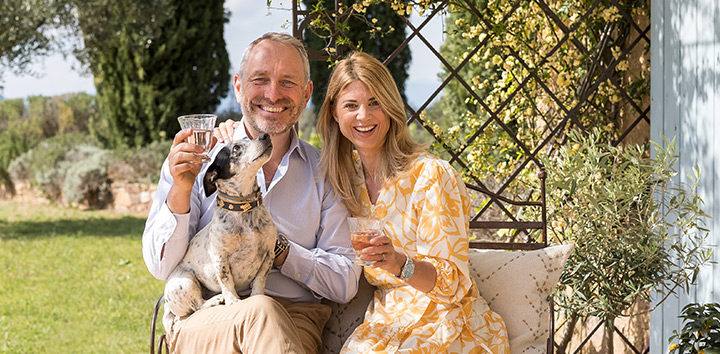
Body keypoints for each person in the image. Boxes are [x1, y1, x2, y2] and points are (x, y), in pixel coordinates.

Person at [142, 32, 360, 354]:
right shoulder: (198, 160)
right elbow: (161, 267)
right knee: (260, 310)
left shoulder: (323, 172)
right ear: (239, 86)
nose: (273, 94)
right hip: (206, 321)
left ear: (306, 92)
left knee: (264, 311)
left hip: (294, 318)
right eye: (260, 79)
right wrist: (182, 190)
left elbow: (344, 282)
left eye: (288, 82)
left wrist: (279, 250)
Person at [315, 52, 510, 353]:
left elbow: (453, 285)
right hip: (385, 326)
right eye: (351, 105)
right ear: (334, 113)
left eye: (375, 103)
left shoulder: (432, 176)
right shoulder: (341, 180)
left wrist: (399, 263)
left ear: (392, 108)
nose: (364, 116)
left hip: (447, 323)